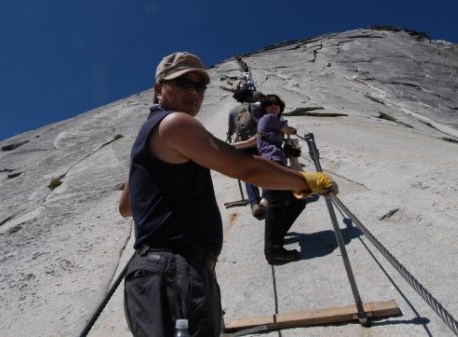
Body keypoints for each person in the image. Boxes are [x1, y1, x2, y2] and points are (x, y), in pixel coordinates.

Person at [118, 52, 335, 337]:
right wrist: (304, 180)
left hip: (157, 275)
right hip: (174, 273)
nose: (193, 91)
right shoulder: (175, 123)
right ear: (159, 90)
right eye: (183, 82)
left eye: (200, 86)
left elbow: (126, 207)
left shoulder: (147, 136)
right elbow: (247, 169)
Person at [256, 94, 306, 264]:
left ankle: (277, 235)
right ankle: (273, 249)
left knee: (297, 202)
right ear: (264, 107)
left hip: (276, 164)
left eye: (276, 103)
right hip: (272, 165)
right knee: (276, 205)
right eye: (269, 104)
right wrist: (290, 131)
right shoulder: (269, 118)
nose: (273, 106)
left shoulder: (266, 123)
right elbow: (289, 131)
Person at [227, 88, 266, 217]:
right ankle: (265, 199)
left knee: (248, 174)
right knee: (264, 169)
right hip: (256, 143)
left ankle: (254, 203)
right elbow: (261, 124)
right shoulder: (254, 107)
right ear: (249, 96)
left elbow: (231, 130)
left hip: (241, 146)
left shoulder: (233, 111)